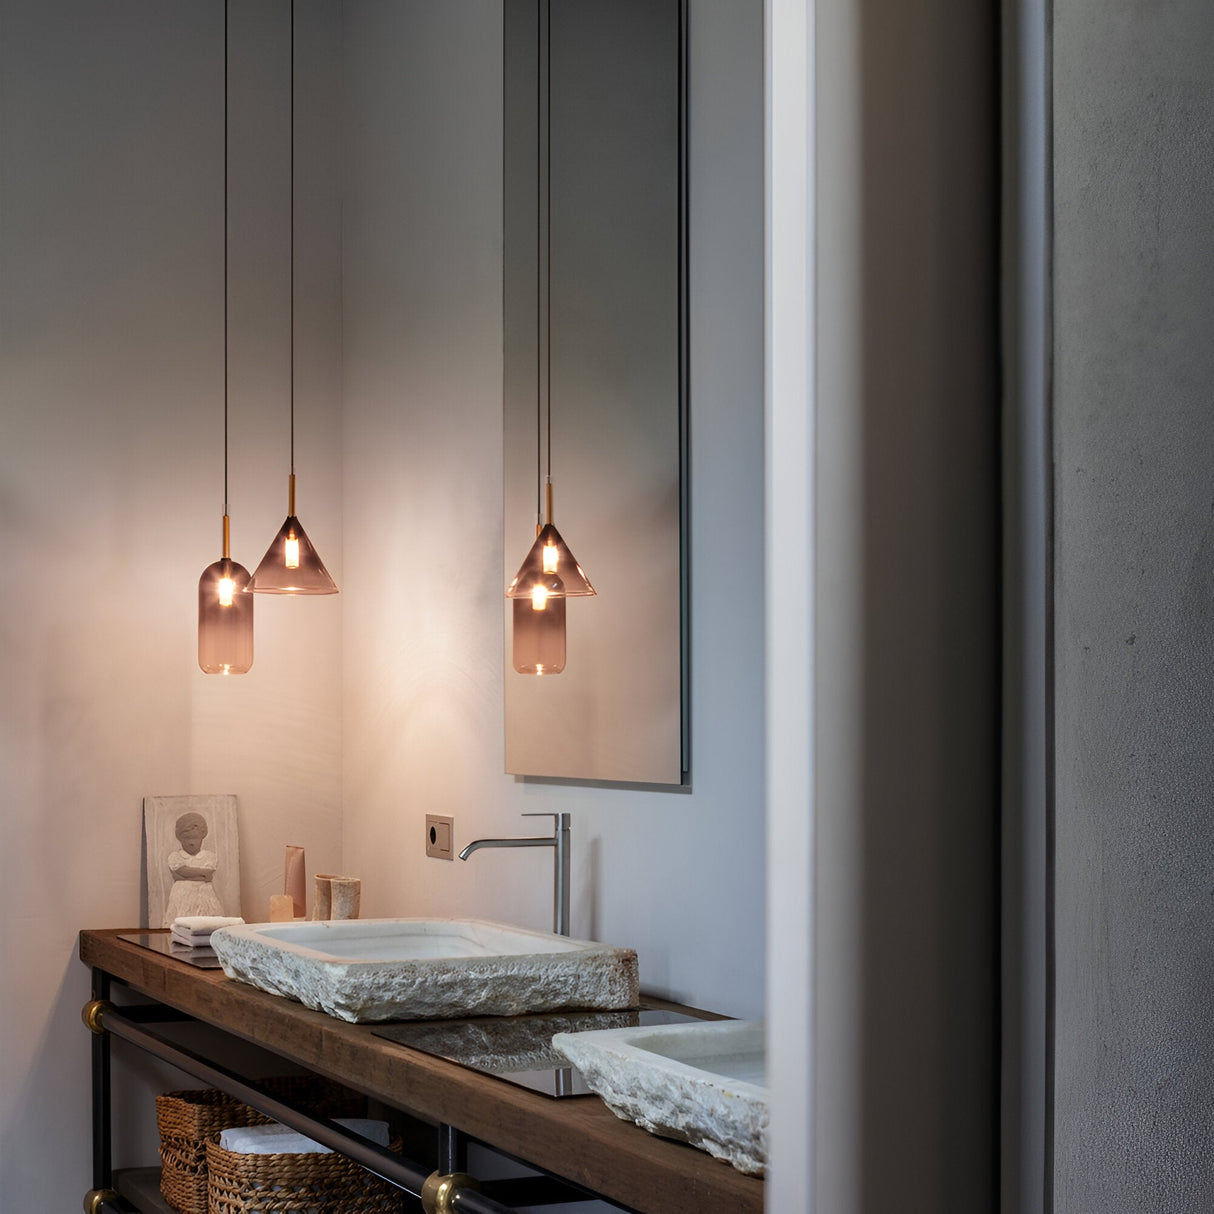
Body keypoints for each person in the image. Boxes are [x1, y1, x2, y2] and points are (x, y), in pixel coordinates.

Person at [163, 811, 224, 924]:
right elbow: (179, 873)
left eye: (195, 838)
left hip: (204, 895)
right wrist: (201, 875)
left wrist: (184, 876)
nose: (191, 842)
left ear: (202, 836)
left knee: (206, 922)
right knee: (181, 922)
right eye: (186, 838)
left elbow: (208, 875)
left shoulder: (209, 856)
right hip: (182, 897)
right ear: (180, 838)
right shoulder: (175, 857)